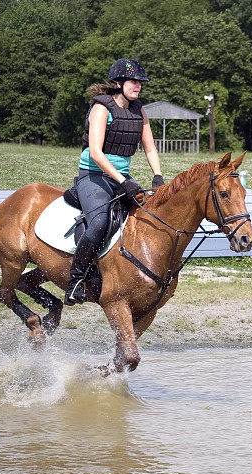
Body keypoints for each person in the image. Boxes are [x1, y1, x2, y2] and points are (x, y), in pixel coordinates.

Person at [65, 58, 165, 305]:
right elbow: (96, 153)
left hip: (121, 179)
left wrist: (158, 176)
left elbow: (150, 148)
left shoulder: (138, 110)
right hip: (94, 176)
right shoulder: (102, 108)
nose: (138, 86)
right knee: (99, 223)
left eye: (140, 82)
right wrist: (124, 181)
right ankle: (76, 280)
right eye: (133, 81)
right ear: (118, 83)